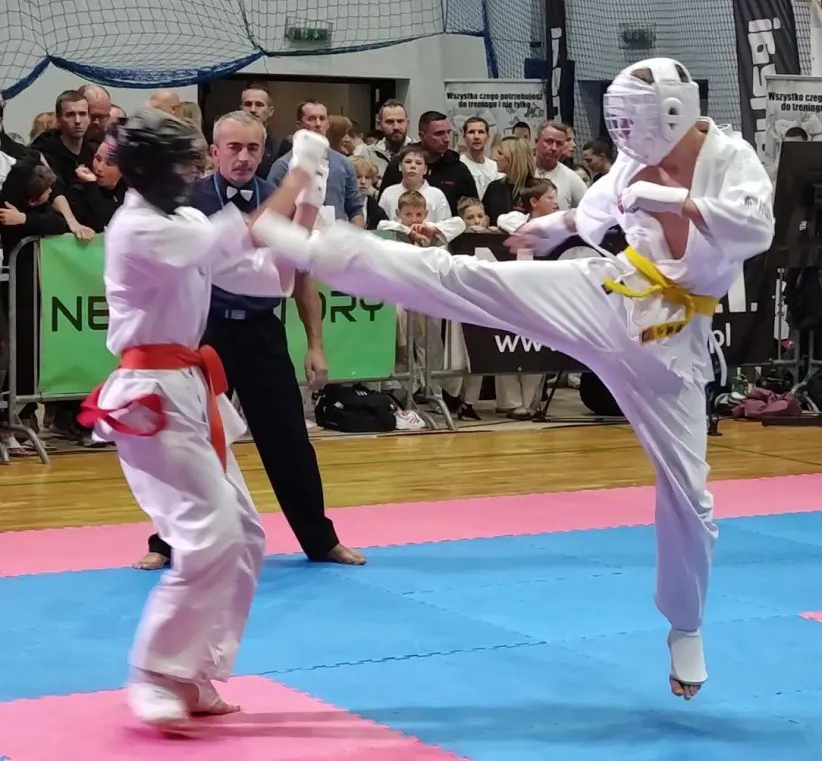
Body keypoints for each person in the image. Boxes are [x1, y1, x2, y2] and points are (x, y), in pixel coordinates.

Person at [247, 58, 775, 701]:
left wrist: (671, 199)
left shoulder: (730, 159)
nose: (627, 138)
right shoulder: (637, 156)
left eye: (634, 124)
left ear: (672, 114)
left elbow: (754, 229)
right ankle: (313, 242)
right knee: (466, 279)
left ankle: (685, 627)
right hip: (612, 292)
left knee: (688, 497)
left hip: (672, 343)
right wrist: (554, 225)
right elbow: (596, 211)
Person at [76, 108, 331, 732]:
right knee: (206, 535)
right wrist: (299, 171)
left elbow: (267, 278)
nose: (193, 172)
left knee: (243, 535)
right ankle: (154, 672)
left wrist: (307, 205)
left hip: (191, 389)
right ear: (148, 169)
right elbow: (246, 234)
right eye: (183, 163)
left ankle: (193, 671)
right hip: (150, 396)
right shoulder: (136, 227)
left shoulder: (186, 219)